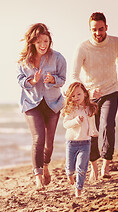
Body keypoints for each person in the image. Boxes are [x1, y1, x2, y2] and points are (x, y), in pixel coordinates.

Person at [71, 12, 118, 180]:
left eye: (101, 29)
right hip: (90, 96)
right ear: (90, 29)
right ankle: (94, 167)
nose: (98, 33)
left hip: (111, 91)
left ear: (106, 27)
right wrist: (86, 92)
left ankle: (106, 166)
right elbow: (74, 75)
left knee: (108, 125)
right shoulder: (83, 48)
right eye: (94, 29)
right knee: (92, 131)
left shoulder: (116, 43)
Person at [17, 23, 67, 190]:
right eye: (39, 42)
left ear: (49, 40)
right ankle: (37, 177)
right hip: (32, 103)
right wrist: (32, 81)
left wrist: (53, 80)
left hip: (53, 103)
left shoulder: (58, 58)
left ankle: (46, 166)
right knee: (38, 139)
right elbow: (20, 80)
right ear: (32, 43)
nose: (43, 45)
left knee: (49, 143)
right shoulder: (24, 61)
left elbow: (62, 79)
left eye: (45, 41)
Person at [62, 82, 98, 197]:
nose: (76, 97)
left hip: (85, 143)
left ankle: (78, 190)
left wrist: (94, 131)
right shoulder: (71, 109)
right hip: (71, 143)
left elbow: (91, 122)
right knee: (71, 167)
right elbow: (65, 124)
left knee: (82, 168)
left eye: (78, 94)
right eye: (73, 96)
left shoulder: (89, 109)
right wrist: (76, 121)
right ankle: (69, 174)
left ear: (85, 94)